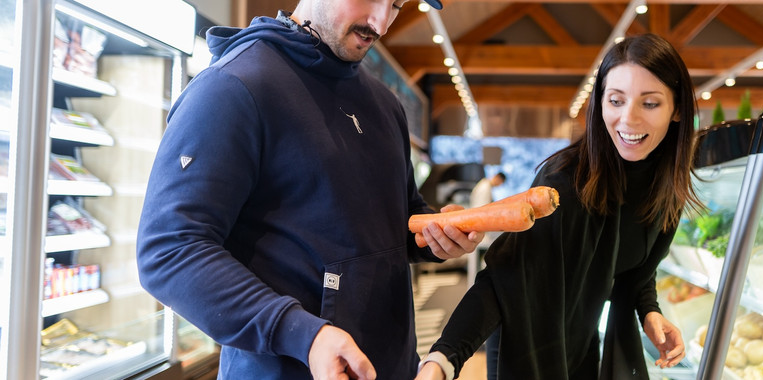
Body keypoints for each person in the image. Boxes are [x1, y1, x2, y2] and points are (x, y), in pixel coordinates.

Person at [135, 0, 484, 379]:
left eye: (397, 4)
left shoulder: (386, 105)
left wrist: (434, 235)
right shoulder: (235, 86)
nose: (380, 23)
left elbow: (396, 219)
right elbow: (170, 249)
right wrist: (303, 334)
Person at [416, 33, 703, 380]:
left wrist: (649, 311)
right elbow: (505, 277)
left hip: (580, 345)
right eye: (616, 100)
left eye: (650, 103)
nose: (628, 119)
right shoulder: (567, 182)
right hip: (527, 347)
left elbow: (633, 268)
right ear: (600, 104)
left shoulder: (666, 188)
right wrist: (444, 359)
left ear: (676, 111)